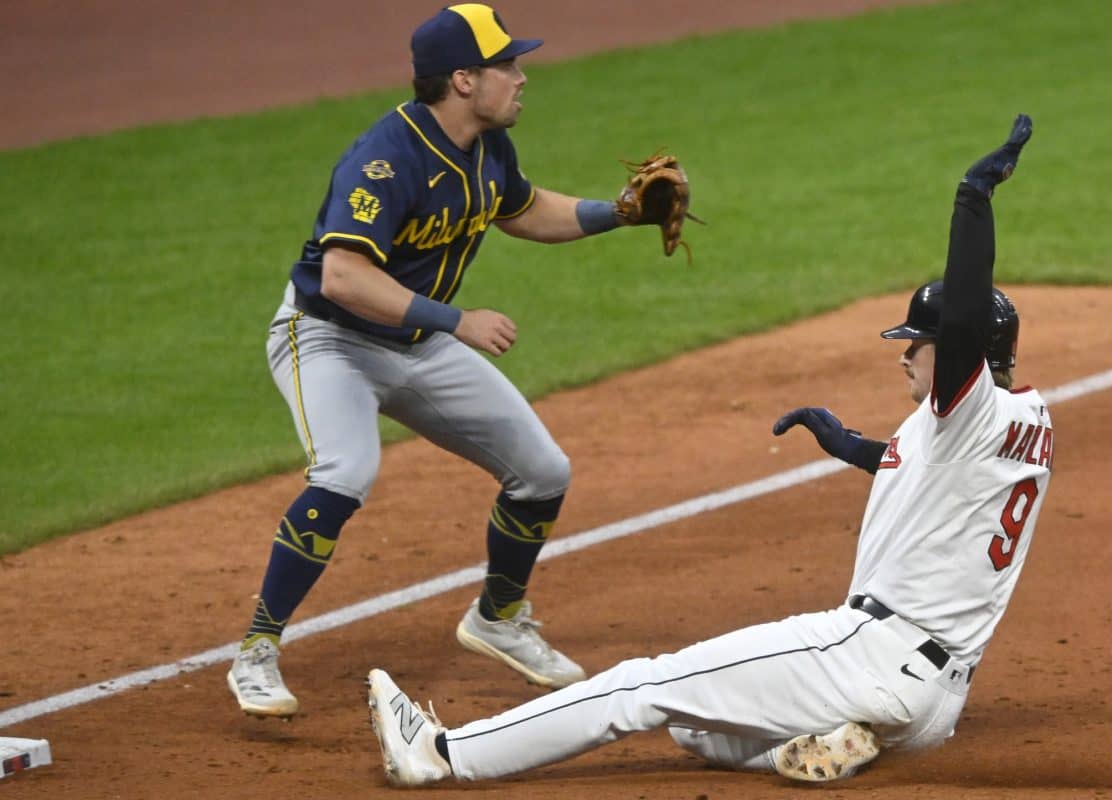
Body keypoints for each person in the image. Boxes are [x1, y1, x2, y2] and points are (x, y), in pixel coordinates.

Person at [364, 115, 1053, 786]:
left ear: (964, 355)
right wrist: (856, 448)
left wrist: (973, 200)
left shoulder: (969, 404)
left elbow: (964, 320)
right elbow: (948, 482)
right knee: (699, 727)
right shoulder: (1029, 420)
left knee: (643, 687)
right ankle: (818, 748)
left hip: (868, 655)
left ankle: (444, 753)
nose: (905, 354)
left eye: (918, 344)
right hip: (934, 704)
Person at [227, 3, 657, 718]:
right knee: (345, 472)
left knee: (543, 472)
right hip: (329, 339)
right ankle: (256, 651)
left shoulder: (488, 145)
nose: (521, 76)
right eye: (506, 65)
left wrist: (617, 212)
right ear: (463, 80)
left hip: (414, 341)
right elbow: (343, 278)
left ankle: (499, 619)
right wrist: (457, 320)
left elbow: (522, 209)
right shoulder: (384, 160)